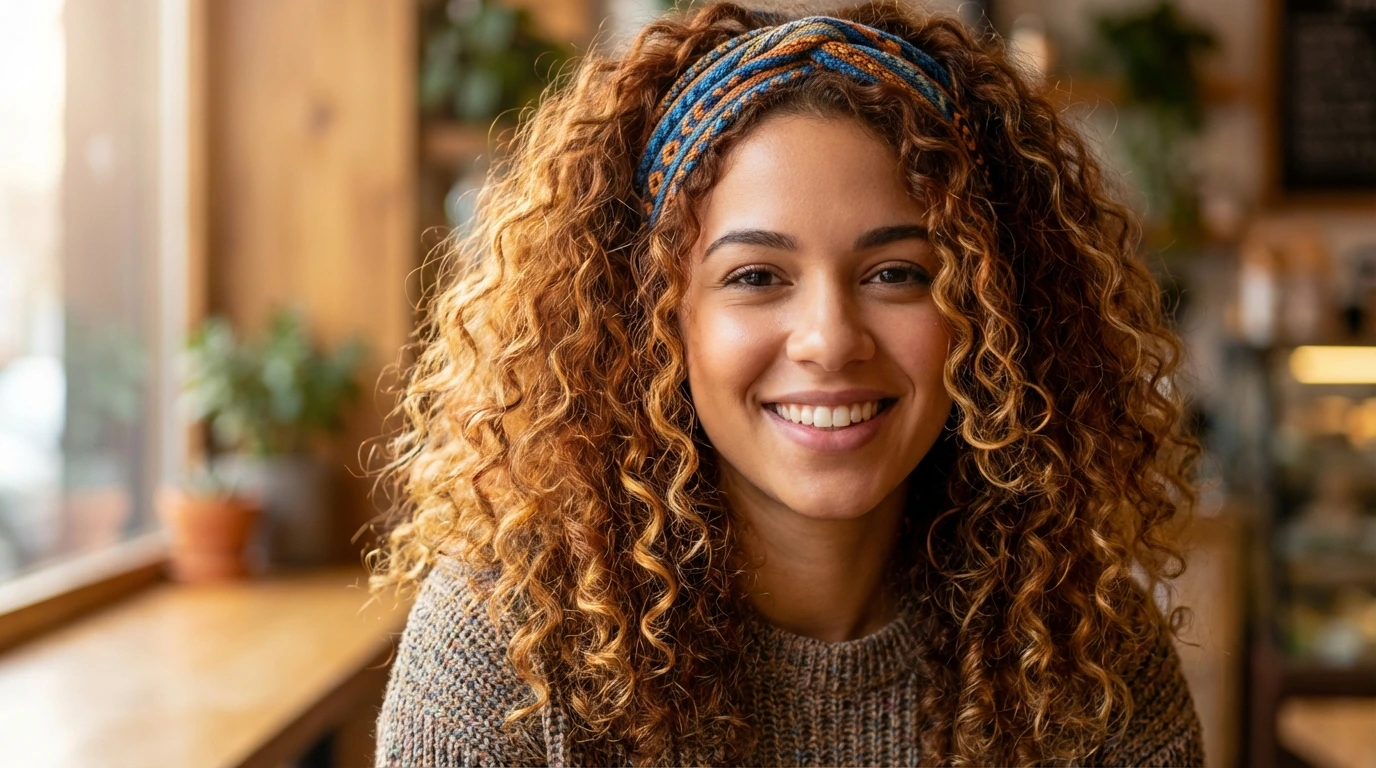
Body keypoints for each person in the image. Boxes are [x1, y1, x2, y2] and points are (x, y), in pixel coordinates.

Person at [368, 2, 1205, 765]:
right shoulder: (507, 654)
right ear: (653, 320)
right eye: (756, 277)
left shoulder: (1091, 658)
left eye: (897, 274)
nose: (830, 340)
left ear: (991, 308)